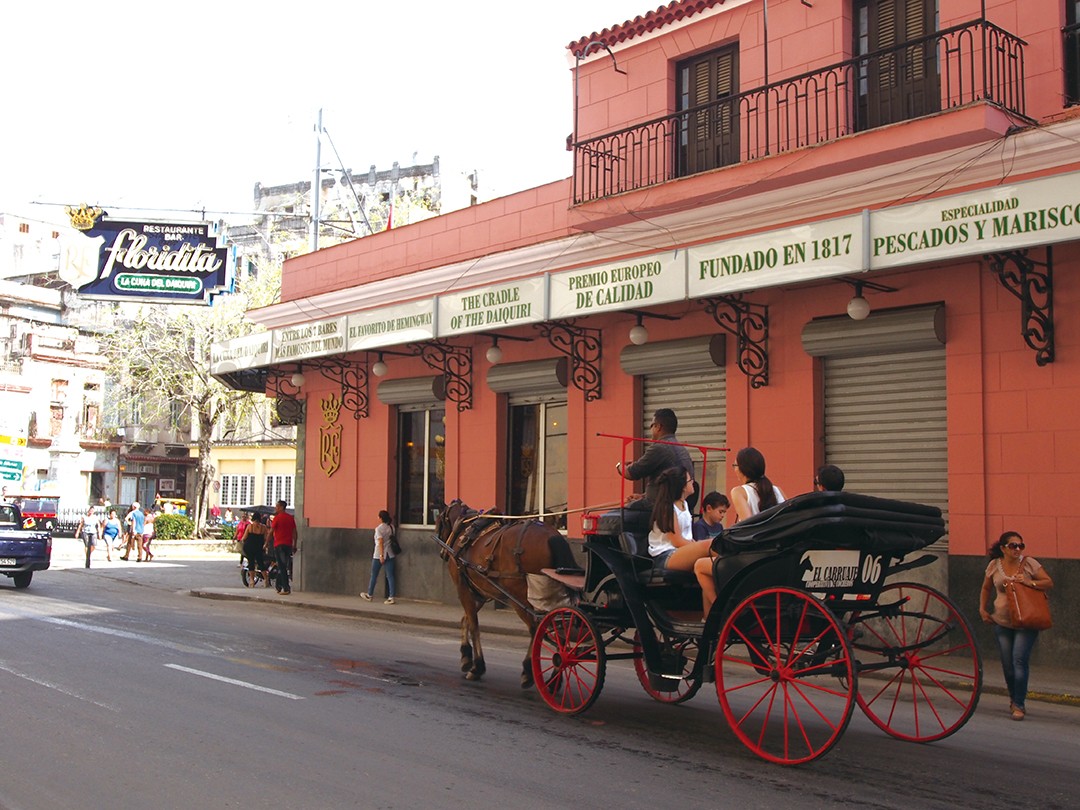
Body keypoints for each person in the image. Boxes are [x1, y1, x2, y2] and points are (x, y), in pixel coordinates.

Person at [695, 447, 787, 615]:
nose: (735, 470)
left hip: (753, 560)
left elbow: (747, 528)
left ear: (743, 468)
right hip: (778, 558)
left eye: (735, 465)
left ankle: (721, 612)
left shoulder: (740, 491)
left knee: (700, 566)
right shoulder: (777, 491)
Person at [979, 531, 1054, 721]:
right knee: (1007, 664)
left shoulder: (1029, 563)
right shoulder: (994, 565)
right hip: (1002, 622)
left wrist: (1030, 582)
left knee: (1019, 661)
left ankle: (1019, 704)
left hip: (1026, 622)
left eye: (1021, 546)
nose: (1018, 549)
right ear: (1003, 548)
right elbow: (986, 587)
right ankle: (1013, 698)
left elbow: (1048, 582)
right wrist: (982, 609)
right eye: (1013, 546)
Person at [616, 408, 696, 510]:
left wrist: (619, 465)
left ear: (658, 427)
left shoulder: (659, 448)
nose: (651, 430)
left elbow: (632, 473)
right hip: (677, 504)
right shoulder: (682, 449)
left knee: (610, 519)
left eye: (652, 426)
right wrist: (643, 496)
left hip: (658, 507)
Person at [646, 467, 713, 577]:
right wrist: (698, 546)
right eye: (690, 480)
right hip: (666, 555)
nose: (693, 482)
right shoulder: (668, 508)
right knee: (710, 545)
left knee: (709, 567)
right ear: (682, 487)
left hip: (681, 551)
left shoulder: (684, 504)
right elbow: (677, 542)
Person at [361, 510, 398, 604]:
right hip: (390, 553)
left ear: (380, 518)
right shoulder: (391, 527)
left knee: (374, 575)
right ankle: (391, 597)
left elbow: (380, 542)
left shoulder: (379, 529)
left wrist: (381, 555)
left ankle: (370, 595)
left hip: (378, 555)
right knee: (390, 576)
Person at [268, 501, 297, 595]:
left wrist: (266, 543)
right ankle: (279, 586)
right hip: (288, 545)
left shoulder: (277, 518)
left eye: (276, 506)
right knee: (283, 566)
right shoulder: (290, 518)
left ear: (281, 507)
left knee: (282, 566)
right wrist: (294, 544)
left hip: (279, 545)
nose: (275, 508)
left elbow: (271, 532)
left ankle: (286, 588)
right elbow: (295, 532)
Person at [242, 513, 270, 581]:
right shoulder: (263, 527)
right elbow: (266, 538)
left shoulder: (249, 526)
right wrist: (266, 546)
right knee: (261, 563)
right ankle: (266, 579)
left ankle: (252, 580)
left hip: (249, 547)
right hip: (258, 547)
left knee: (251, 563)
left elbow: (244, 538)